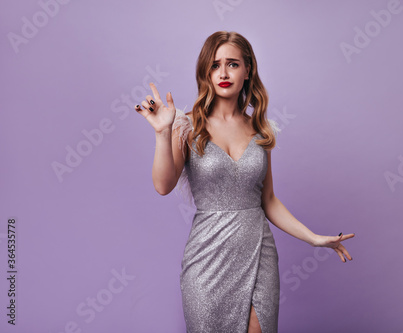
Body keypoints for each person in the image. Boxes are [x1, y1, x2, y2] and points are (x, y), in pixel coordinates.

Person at [135, 31, 355, 333]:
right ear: (206, 72)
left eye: (233, 64)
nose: (223, 73)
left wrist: (314, 238)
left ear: (247, 69)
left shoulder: (261, 129)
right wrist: (163, 132)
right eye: (215, 65)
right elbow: (163, 185)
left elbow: (269, 201)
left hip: (257, 254)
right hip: (207, 260)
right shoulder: (187, 125)